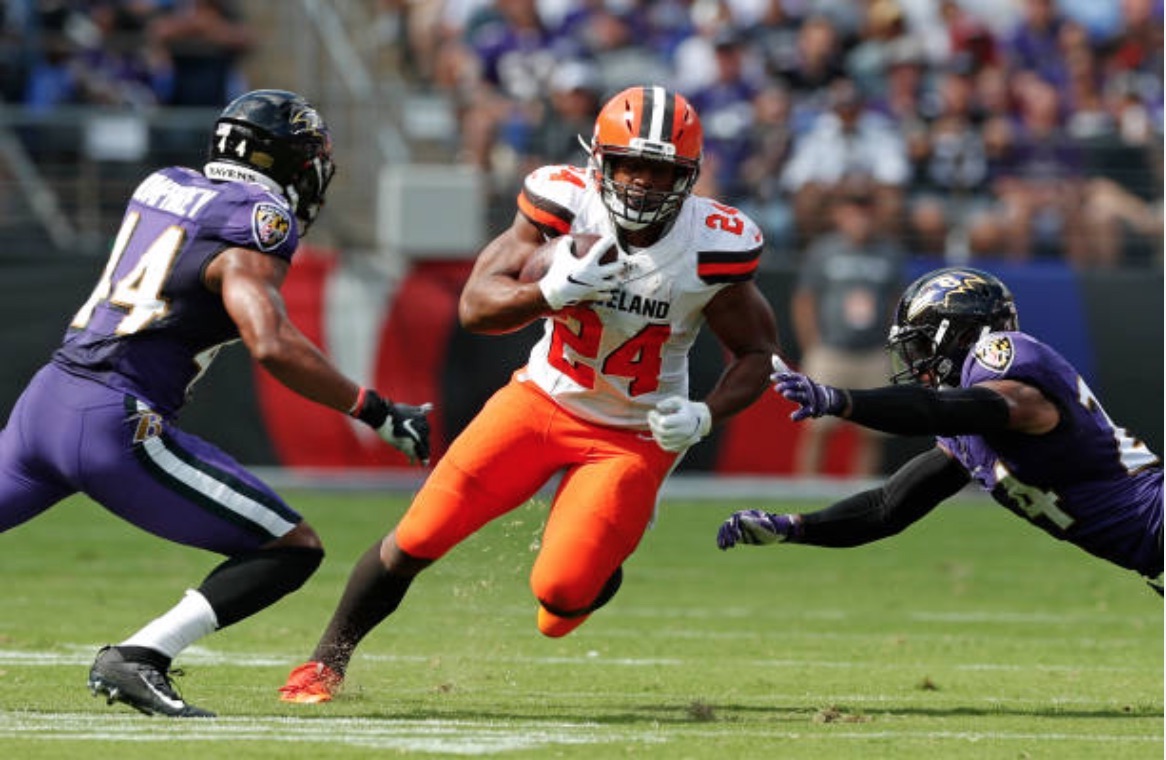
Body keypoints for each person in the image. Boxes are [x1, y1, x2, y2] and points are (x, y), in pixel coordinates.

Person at [278, 85, 782, 703]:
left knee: (562, 596)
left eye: (660, 171)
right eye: (629, 166)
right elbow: (474, 306)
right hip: (542, 399)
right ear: (599, 160)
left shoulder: (713, 243)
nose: (643, 185)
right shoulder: (562, 203)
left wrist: (705, 415)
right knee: (419, 534)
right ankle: (322, 666)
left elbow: (757, 355)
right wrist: (550, 291)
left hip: (634, 433)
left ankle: (596, 561)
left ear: (690, 177)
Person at [0, 89, 432, 717]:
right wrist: (374, 409)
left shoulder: (164, 182)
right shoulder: (260, 218)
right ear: (286, 160)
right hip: (111, 420)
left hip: (46, 400)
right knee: (291, 548)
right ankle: (141, 656)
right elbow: (272, 341)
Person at [716, 267, 1163, 594]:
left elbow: (940, 409)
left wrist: (841, 400)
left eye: (922, 343)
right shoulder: (968, 426)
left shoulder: (1005, 362)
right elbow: (888, 507)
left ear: (959, 334)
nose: (915, 359)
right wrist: (793, 528)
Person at [789, 177, 905, 476]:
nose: (859, 217)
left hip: (873, 352)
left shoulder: (889, 252)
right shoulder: (824, 251)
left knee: (872, 432)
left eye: (865, 209)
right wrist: (812, 345)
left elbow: (897, 303)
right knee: (818, 428)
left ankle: (861, 495)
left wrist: (892, 348)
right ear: (839, 213)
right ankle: (806, 489)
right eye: (853, 209)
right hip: (831, 351)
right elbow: (805, 301)